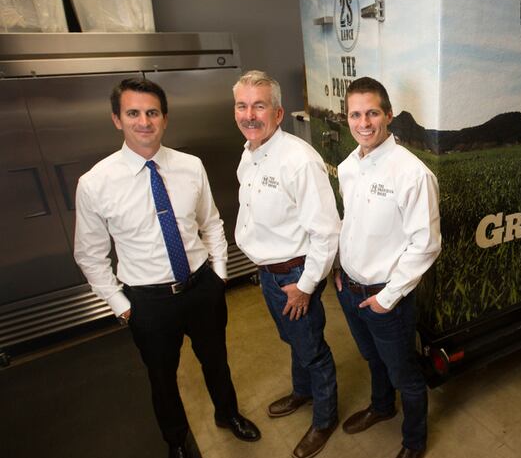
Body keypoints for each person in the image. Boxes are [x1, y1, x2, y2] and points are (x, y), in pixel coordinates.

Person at [73, 78, 260, 458]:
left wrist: (219, 273)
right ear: (117, 120)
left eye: (152, 113)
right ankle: (175, 441)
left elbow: (211, 222)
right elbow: (89, 254)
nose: (144, 122)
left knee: (216, 361)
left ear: (165, 118)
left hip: (201, 287)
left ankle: (228, 415)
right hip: (148, 301)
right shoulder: (95, 183)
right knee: (162, 378)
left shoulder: (190, 166)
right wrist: (121, 305)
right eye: (133, 113)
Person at [233, 71, 340, 458]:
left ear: (278, 113)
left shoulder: (299, 160)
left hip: (295, 275)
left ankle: (325, 419)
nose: (249, 114)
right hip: (268, 272)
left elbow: (327, 233)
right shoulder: (249, 153)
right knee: (293, 340)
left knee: (311, 349)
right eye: (242, 106)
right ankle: (303, 392)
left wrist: (306, 286)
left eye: (259, 106)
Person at [336, 77, 441, 458]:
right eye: (355, 114)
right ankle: (382, 407)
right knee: (372, 358)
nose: (364, 123)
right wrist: (339, 269)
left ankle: (414, 442)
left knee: (405, 375)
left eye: (372, 113)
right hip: (348, 288)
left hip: (385, 299)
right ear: (347, 117)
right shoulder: (350, 165)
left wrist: (388, 297)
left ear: (389, 115)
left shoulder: (411, 173)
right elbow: (352, 222)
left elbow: (426, 245)